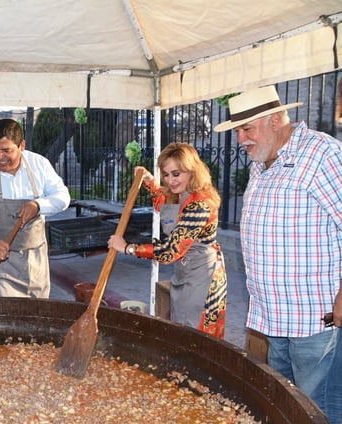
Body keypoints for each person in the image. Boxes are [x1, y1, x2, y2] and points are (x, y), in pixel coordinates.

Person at [214, 85, 342, 424]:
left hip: (316, 317)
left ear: (275, 120)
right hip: (273, 316)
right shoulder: (263, 161)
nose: (240, 138)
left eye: (246, 128)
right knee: (286, 403)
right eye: (237, 130)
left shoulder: (322, 154)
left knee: (317, 408)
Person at [108, 142, 227, 338]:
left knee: (196, 334)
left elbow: (170, 250)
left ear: (192, 171)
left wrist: (128, 247)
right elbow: (163, 203)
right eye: (166, 174)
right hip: (186, 270)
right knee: (181, 325)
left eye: (176, 174)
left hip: (202, 276)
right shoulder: (180, 195)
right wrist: (149, 182)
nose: (170, 180)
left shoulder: (200, 203)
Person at [0, 118, 70, 298]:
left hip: (36, 261)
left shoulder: (39, 165)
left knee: (37, 317)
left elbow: (63, 197)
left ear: (22, 145)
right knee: (4, 318)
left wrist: (38, 205)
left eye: (6, 150)